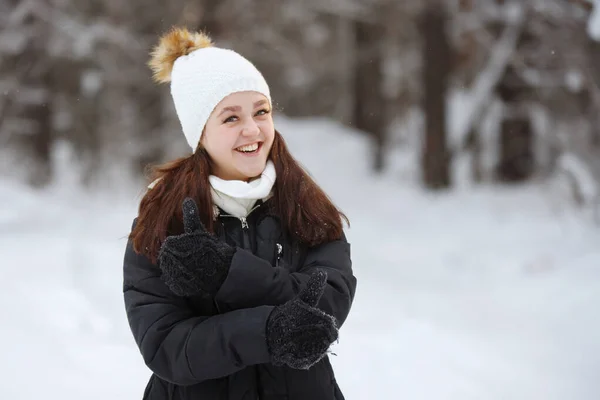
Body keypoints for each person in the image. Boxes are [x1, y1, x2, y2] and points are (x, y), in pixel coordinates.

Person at [122, 26, 357, 400]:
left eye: (260, 111)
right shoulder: (163, 219)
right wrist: (267, 331)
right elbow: (167, 347)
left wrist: (227, 272)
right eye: (231, 118)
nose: (253, 130)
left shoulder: (306, 205)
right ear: (200, 132)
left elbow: (326, 308)